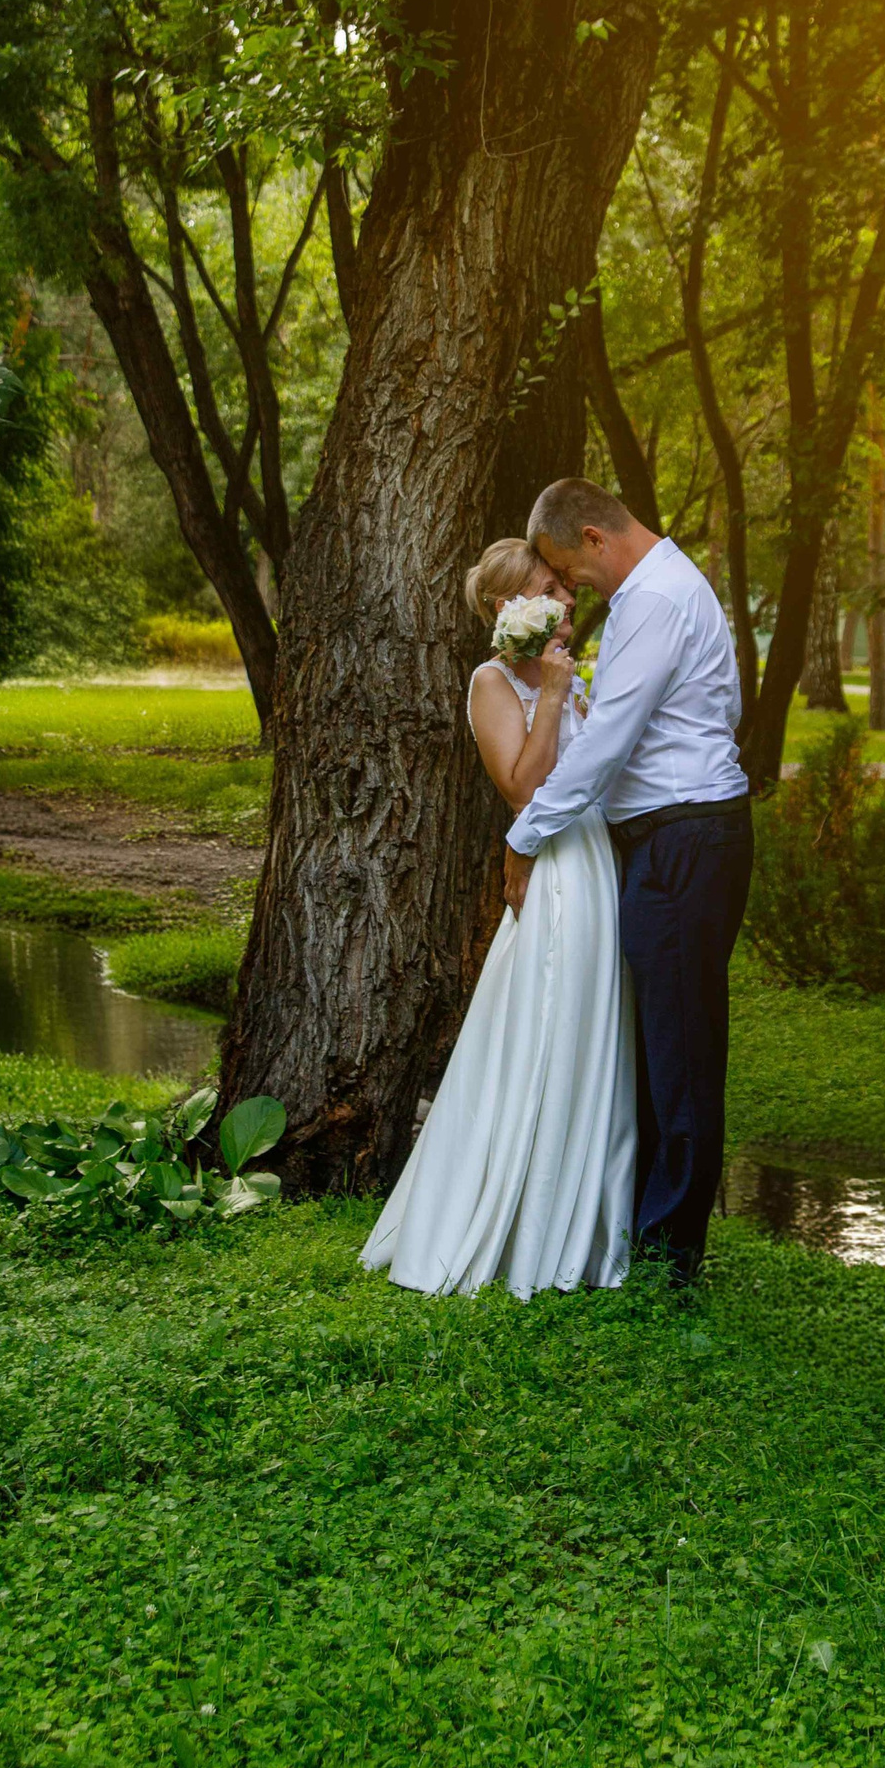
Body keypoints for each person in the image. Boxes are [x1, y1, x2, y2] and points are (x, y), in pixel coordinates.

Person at [358, 538, 634, 1298]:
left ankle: (585, 1217)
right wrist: (551, 691)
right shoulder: (491, 683)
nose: (569, 598)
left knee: (589, 1027)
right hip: (556, 869)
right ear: (512, 603)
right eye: (553, 587)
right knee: (546, 1020)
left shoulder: (563, 671)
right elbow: (523, 789)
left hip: (597, 858)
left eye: (566, 587)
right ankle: (518, 1221)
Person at [505, 479, 751, 1287]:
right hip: (674, 836)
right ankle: (645, 1241)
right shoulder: (673, 585)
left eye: (567, 568)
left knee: (680, 1055)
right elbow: (725, 709)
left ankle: (666, 1267)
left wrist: (525, 835)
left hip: (684, 839)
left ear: (593, 536)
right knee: (659, 1047)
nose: (570, 587)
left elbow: (607, 742)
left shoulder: (653, 599)